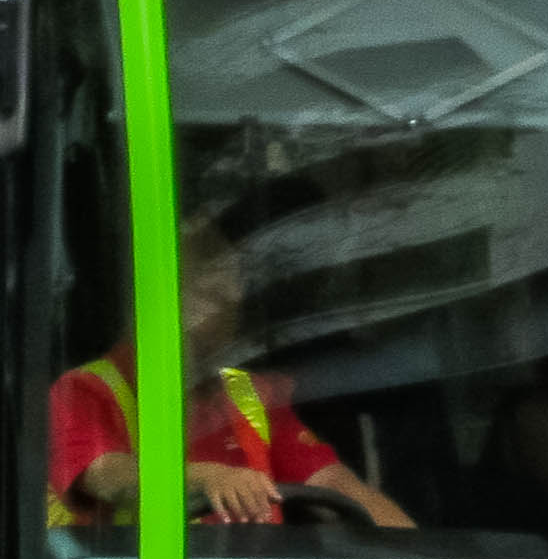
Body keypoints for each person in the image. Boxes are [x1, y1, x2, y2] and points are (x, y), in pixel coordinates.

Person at [46, 222, 413, 529]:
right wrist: (207, 478)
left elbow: (333, 483)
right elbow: (108, 475)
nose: (227, 316)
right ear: (156, 296)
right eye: (211, 294)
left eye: (233, 296)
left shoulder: (246, 393)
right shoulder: (85, 390)